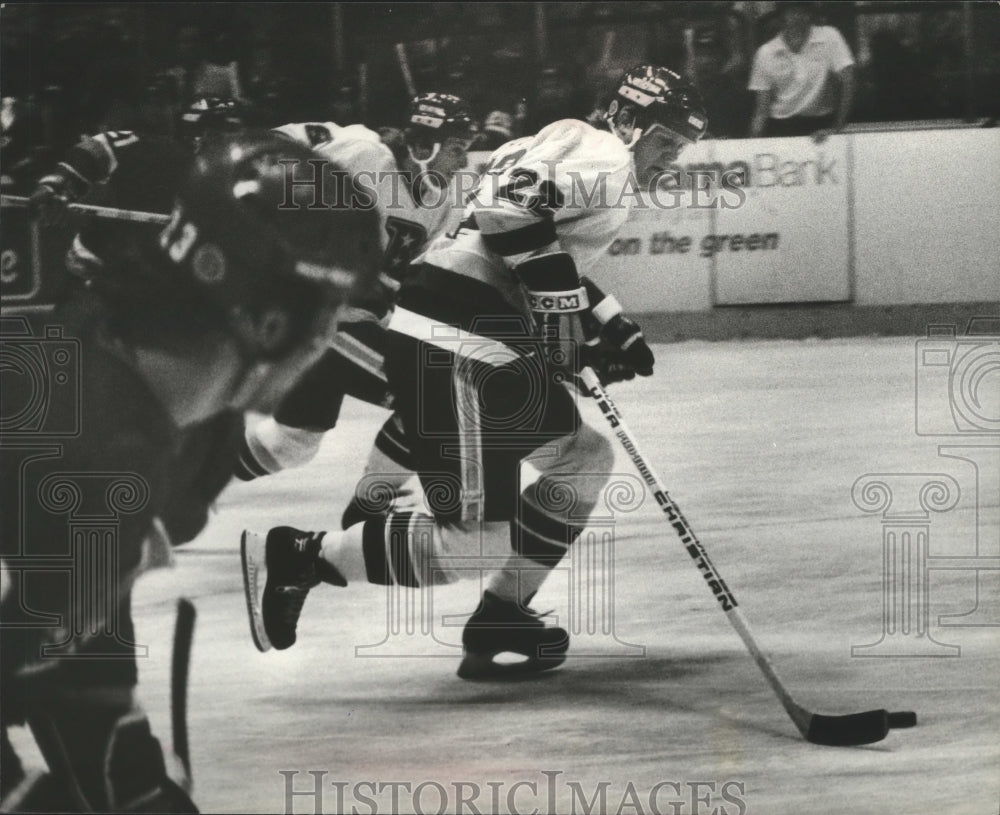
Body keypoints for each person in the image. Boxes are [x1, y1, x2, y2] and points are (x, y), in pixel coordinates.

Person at [240, 66, 707, 679]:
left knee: (583, 459)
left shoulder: (562, 144)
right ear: (630, 122)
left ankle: (502, 615)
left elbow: (520, 240)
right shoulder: (604, 153)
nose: (670, 161)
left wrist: (602, 317)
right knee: (476, 540)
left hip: (478, 333)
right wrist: (565, 309)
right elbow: (506, 211)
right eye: (667, 144)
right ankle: (299, 555)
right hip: (453, 338)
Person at [0, 132, 382, 812]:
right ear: (271, 323)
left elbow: (61, 626)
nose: (332, 339)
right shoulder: (91, 451)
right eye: (332, 315)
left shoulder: (194, 426)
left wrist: (125, 769)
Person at [233, 92, 476, 535]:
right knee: (432, 394)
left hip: (354, 320)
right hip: (317, 314)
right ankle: (368, 514)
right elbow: (282, 153)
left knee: (293, 443)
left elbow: (404, 279)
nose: (463, 162)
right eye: (458, 148)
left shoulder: (440, 200)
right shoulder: (363, 154)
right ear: (427, 146)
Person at [28, 96, 244, 290]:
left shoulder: (238, 188)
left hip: (166, 289)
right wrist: (59, 185)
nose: (237, 144)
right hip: (100, 277)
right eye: (227, 133)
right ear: (200, 136)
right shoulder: (156, 154)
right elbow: (99, 148)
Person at [747, 1, 855, 142]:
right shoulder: (765, 53)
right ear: (782, 15)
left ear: (811, 13)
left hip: (821, 125)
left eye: (803, 11)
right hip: (780, 128)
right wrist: (750, 144)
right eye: (792, 11)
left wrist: (837, 127)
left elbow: (849, 81)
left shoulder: (830, 36)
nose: (798, 17)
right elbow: (761, 110)